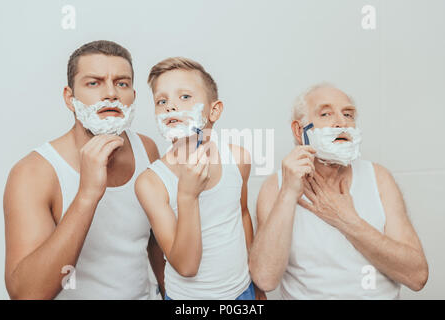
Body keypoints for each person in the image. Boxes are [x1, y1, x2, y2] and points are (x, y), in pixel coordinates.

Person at [3, 40, 165, 299]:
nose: (111, 93)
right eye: (94, 83)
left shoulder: (147, 149)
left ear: (133, 96)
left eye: (122, 83)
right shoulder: (33, 173)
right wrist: (86, 196)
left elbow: (157, 242)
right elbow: (27, 294)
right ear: (70, 98)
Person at [249, 83, 428, 299]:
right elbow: (265, 279)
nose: (341, 123)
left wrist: (347, 220)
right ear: (299, 131)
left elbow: (417, 276)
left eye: (348, 114)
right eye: (326, 114)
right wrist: (288, 193)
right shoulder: (275, 187)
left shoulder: (379, 179)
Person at [135, 57, 266, 300]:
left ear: (214, 110)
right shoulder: (151, 183)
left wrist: (256, 283)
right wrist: (187, 195)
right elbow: (186, 266)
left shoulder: (237, 158)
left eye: (184, 97)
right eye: (161, 100)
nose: (170, 106)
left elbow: (243, 213)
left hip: (242, 291)